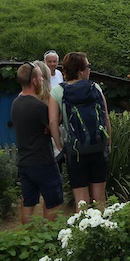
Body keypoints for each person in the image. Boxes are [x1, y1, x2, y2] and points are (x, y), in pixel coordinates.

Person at [54, 52, 112, 211]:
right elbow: (106, 117)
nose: (90, 69)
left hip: (75, 149)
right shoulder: (96, 87)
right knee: (100, 197)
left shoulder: (58, 91)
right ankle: (103, 230)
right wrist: (108, 142)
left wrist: (60, 147)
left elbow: (53, 122)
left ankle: (82, 232)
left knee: (81, 199)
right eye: (88, 66)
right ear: (80, 70)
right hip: (98, 146)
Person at [11, 62, 63, 223]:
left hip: (24, 162)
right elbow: (53, 127)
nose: (42, 80)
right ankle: (47, 240)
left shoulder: (15, 103)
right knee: (53, 201)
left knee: (29, 202)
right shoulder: (39, 106)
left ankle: (30, 238)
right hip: (43, 161)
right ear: (34, 81)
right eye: (41, 77)